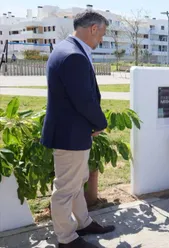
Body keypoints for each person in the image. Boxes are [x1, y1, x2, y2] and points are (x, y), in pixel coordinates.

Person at [40, 11, 115, 248]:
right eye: (102, 33)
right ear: (93, 28)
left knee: (77, 181)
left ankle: (82, 223)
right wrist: (100, 123)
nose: (101, 38)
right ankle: (67, 238)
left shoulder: (68, 48)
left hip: (73, 132)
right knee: (65, 189)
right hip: (70, 135)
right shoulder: (73, 55)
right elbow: (83, 100)